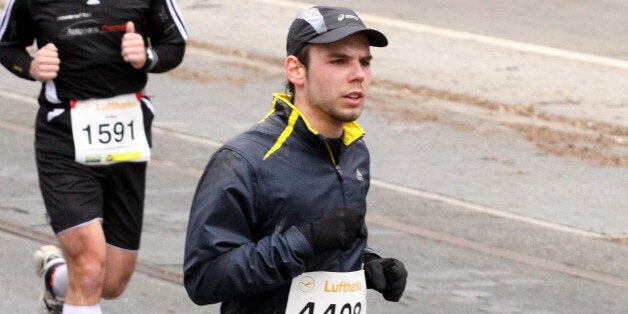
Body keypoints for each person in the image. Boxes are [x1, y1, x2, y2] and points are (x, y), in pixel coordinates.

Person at [184, 6, 407, 313]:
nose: (358, 75)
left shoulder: (355, 152)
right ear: (296, 70)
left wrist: (366, 265)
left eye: (364, 62)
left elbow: (326, 245)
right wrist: (304, 242)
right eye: (339, 61)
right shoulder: (244, 160)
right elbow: (204, 278)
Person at [0, 0, 188, 313]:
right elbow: (6, 45)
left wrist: (148, 56)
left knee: (111, 282)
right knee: (88, 265)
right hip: (63, 137)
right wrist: (31, 66)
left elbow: (174, 44)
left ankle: (56, 278)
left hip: (126, 138)